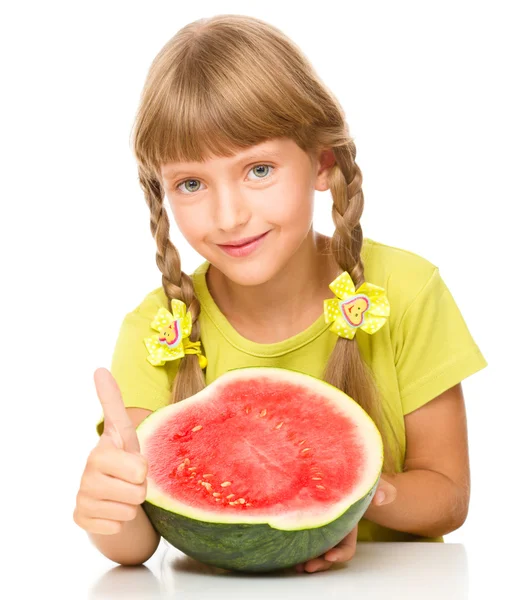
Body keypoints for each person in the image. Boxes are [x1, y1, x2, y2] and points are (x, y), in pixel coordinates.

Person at [73, 14, 488, 573]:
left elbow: (449, 499)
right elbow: (139, 543)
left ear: (322, 163)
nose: (228, 215)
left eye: (259, 169)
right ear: (162, 190)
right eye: (191, 184)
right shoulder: (159, 327)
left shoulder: (408, 292)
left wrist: (352, 498)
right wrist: (110, 500)